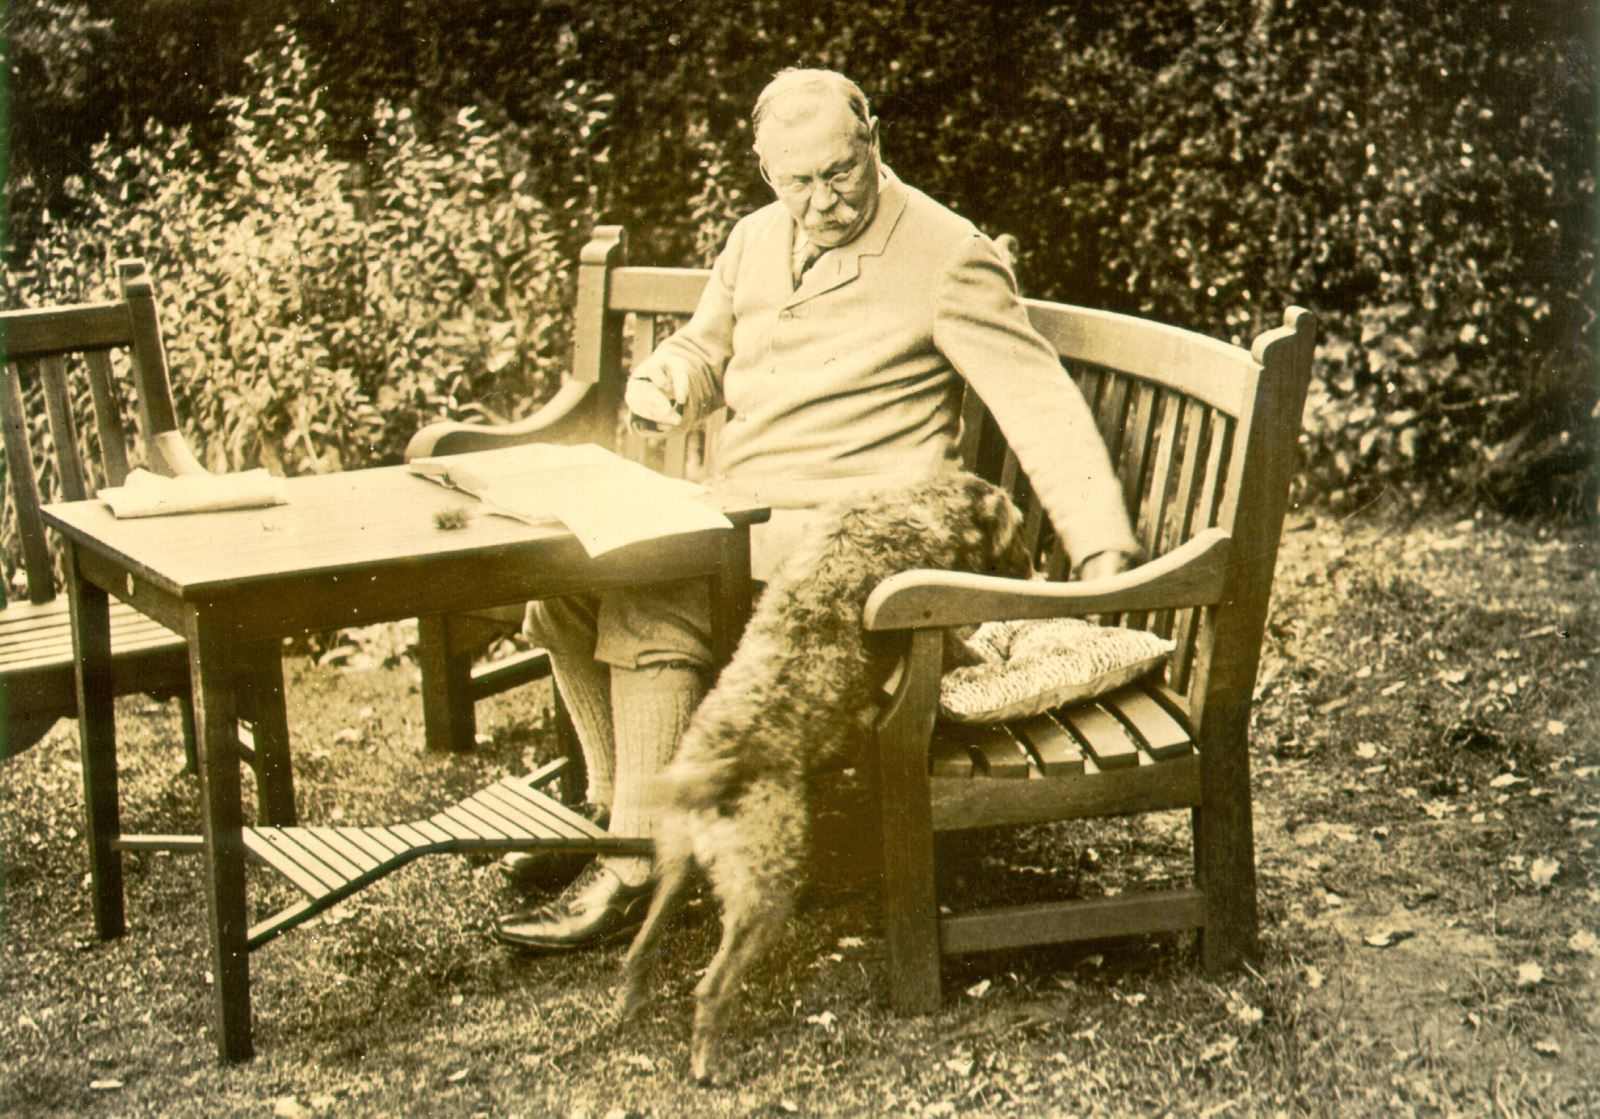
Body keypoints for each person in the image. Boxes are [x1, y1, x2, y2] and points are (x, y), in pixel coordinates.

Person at [492, 68, 1138, 952]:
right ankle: (613, 811)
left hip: (859, 559)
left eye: (841, 172)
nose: (824, 201)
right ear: (765, 174)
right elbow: (705, 350)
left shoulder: (947, 253)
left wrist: (1103, 554)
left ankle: (643, 867)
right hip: (746, 529)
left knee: (654, 595)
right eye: (798, 182)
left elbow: (1040, 406)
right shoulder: (756, 239)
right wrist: (670, 380)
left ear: (872, 138)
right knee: (567, 581)